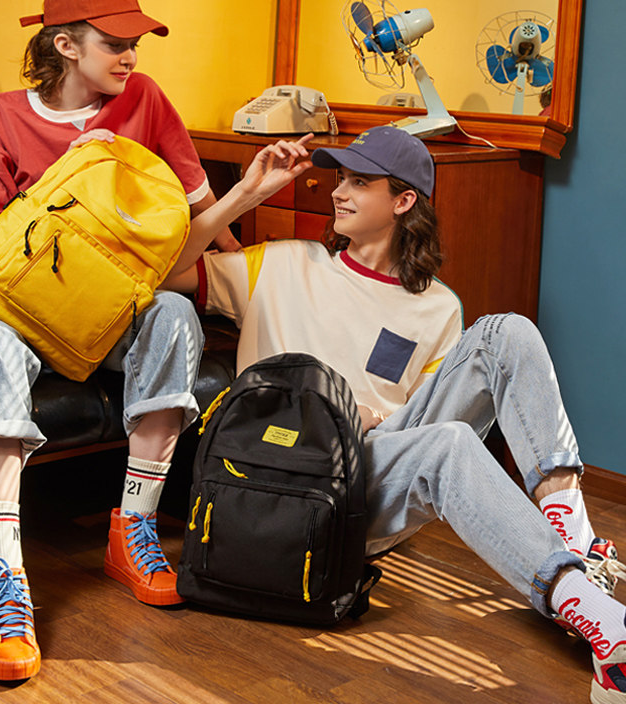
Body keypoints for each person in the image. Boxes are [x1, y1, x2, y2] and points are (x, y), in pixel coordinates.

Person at [162, 126, 626, 703]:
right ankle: (601, 613)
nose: (338, 192)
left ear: (404, 200)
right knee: (449, 445)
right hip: (283, 478)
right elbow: (163, 272)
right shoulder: (279, 265)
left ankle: (575, 547)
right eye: (339, 179)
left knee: (507, 332)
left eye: (359, 182)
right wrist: (244, 196)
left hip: (364, 485)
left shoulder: (438, 307)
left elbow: (423, 427)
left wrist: (375, 419)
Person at [0, 0, 239, 683]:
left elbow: (199, 209)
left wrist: (251, 279)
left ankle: (133, 528)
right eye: (115, 42)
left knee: (172, 311)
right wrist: (67, 185)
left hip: (97, 314)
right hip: (0, 306)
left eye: (136, 43)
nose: (131, 56)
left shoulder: (145, 100)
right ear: (65, 45)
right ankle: (6, 584)